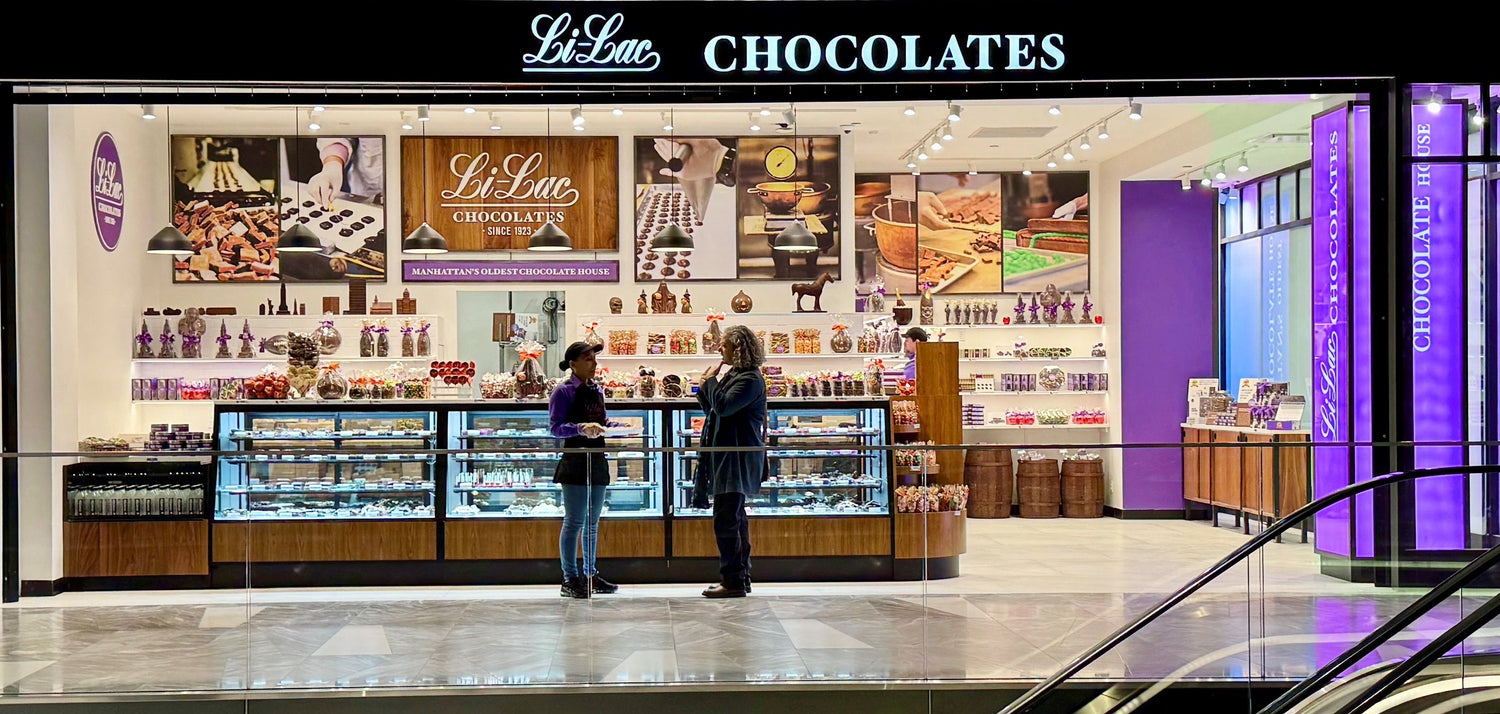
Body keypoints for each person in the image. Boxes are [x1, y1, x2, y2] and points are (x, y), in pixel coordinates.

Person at [692, 324, 768, 598]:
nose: (719, 349)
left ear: (738, 349)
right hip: (727, 455)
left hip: (736, 457)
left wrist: (711, 382)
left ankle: (733, 581)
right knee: (734, 518)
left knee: (726, 519)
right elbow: (713, 409)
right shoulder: (736, 375)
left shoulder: (749, 379)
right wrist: (704, 387)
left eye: (724, 345)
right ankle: (739, 577)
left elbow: (724, 407)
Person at [549, 341, 624, 598]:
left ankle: (590, 574)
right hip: (575, 459)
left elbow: (602, 420)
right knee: (574, 522)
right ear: (573, 364)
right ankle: (569, 578)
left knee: (593, 522)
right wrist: (581, 428)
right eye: (588, 359)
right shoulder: (563, 392)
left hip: (597, 458)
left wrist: (616, 426)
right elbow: (556, 427)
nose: (594, 363)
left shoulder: (597, 389)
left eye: (594, 358)